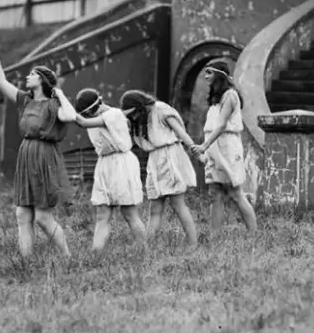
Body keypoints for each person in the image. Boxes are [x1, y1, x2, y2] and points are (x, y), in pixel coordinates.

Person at [0, 32, 77, 258]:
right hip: (26, 157)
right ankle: (26, 264)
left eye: (32, 75)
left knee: (43, 218)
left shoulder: (53, 105)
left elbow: (70, 116)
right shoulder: (25, 100)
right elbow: (0, 81)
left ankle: (68, 257)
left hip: (44, 159)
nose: (27, 77)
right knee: (21, 214)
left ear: (42, 81)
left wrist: (61, 95)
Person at [120, 89, 200, 251]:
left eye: (134, 113)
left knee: (178, 204)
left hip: (170, 156)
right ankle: (147, 245)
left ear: (140, 107)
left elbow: (180, 132)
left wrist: (194, 149)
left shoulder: (161, 110)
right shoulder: (137, 121)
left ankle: (193, 243)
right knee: (155, 207)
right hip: (154, 160)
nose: (132, 117)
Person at [73, 88, 148, 252]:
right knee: (102, 214)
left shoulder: (113, 115)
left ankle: (143, 250)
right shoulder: (98, 117)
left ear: (98, 104)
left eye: (90, 112)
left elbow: (83, 122)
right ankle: (96, 253)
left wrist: (60, 100)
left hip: (121, 163)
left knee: (129, 213)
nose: (89, 116)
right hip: (104, 164)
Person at [191, 60, 257, 234]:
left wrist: (204, 146)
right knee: (215, 193)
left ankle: (253, 234)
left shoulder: (230, 95)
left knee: (235, 193)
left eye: (209, 73)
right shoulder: (216, 98)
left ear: (219, 75)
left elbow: (220, 126)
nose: (205, 77)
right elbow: (211, 126)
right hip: (214, 146)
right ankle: (215, 236)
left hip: (227, 146)